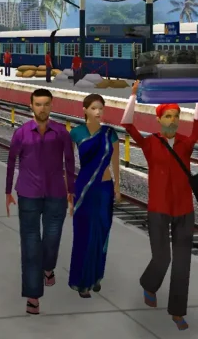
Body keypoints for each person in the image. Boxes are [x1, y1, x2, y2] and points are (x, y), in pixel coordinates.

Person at [121, 81, 198, 331]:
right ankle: (149, 283)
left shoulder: (185, 144)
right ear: (159, 119)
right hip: (158, 208)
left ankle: (178, 312)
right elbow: (126, 124)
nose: (173, 120)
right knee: (163, 258)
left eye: (176, 116)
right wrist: (133, 95)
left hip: (184, 210)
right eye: (168, 116)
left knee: (182, 263)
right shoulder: (150, 143)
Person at [5, 89, 75, 316]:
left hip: (56, 193)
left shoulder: (62, 134)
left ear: (51, 105)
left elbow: (70, 163)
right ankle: (33, 295)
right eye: (38, 104)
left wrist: (71, 192)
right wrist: (8, 191)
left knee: (52, 238)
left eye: (46, 104)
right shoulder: (21, 133)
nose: (42, 108)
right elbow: (11, 161)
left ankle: (48, 267)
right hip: (28, 194)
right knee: (30, 244)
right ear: (31, 105)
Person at [68, 93, 120, 297]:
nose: (98, 112)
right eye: (94, 108)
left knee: (102, 232)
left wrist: (118, 188)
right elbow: (68, 163)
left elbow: (115, 162)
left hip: (105, 189)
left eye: (101, 108)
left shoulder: (110, 133)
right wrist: (68, 190)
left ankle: (97, 276)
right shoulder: (76, 133)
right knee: (84, 235)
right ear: (85, 110)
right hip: (84, 189)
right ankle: (82, 281)